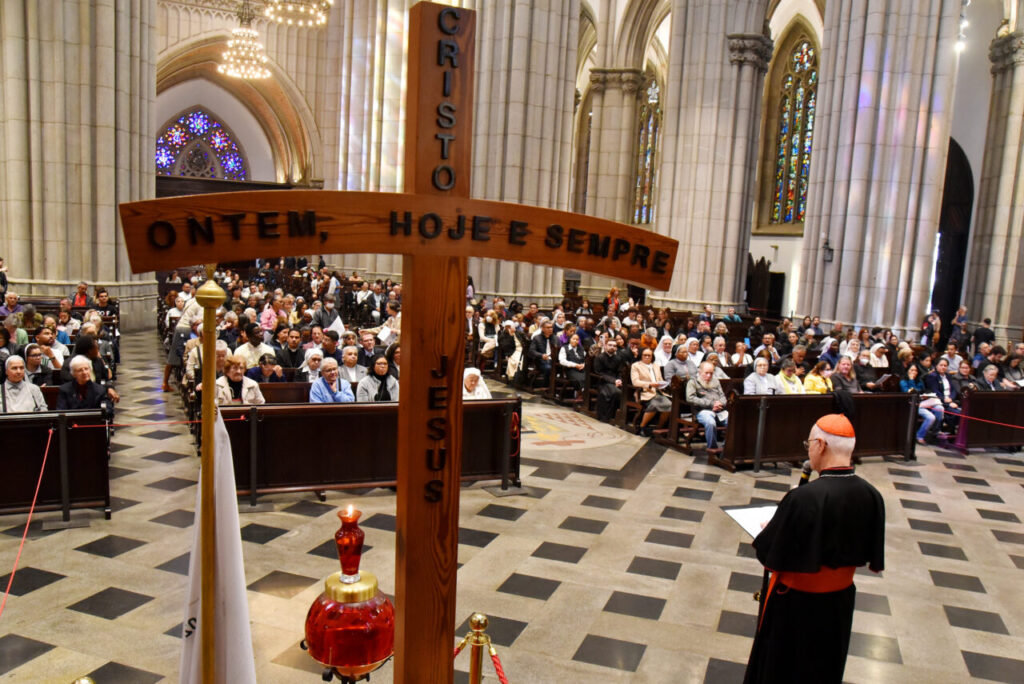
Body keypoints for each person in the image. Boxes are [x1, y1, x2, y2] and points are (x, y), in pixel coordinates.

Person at [744, 414, 884, 684]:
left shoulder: (804, 497)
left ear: (820, 444)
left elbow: (771, 554)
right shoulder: (871, 494)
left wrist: (768, 529)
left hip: (797, 605)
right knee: (825, 666)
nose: (808, 448)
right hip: (840, 602)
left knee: (786, 670)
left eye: (809, 442)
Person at [685, 362, 728, 454]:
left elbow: (723, 396)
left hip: (719, 410)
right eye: (706, 373)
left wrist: (721, 403)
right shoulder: (693, 382)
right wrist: (711, 404)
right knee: (710, 422)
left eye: (711, 373)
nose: (709, 376)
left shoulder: (716, 381)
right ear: (700, 372)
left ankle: (727, 446)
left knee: (733, 420)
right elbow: (690, 398)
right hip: (702, 410)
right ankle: (712, 449)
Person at [631, 347, 671, 436]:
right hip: (645, 392)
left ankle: (659, 428)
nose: (647, 357)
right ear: (641, 356)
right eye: (645, 355)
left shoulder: (656, 366)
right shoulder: (636, 366)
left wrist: (663, 384)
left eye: (649, 355)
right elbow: (635, 381)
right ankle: (642, 426)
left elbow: (660, 379)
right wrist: (650, 384)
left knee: (669, 405)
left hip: (658, 392)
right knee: (655, 405)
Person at [901, 364, 943, 445]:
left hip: (923, 402)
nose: (914, 372)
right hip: (912, 404)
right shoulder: (903, 381)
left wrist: (925, 396)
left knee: (940, 408)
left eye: (915, 370)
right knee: (931, 417)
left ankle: (935, 433)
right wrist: (911, 380)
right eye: (911, 370)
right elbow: (910, 392)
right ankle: (919, 436)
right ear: (907, 371)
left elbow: (922, 390)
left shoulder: (919, 380)